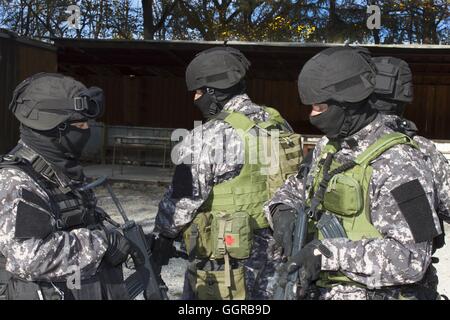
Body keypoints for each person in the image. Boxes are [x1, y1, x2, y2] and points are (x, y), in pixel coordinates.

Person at [267, 47, 443, 300]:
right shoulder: (327, 147)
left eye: (319, 107)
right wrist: (281, 210)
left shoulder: (402, 162)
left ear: (347, 104)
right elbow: (293, 189)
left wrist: (325, 254)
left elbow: (412, 259)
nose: (311, 116)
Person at [153, 46, 302, 300]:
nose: (195, 98)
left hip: (228, 267)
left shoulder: (206, 136)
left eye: (199, 92)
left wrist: (162, 238)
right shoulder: (277, 121)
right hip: (278, 258)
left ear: (213, 92)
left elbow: (181, 201)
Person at [0, 73, 132, 300]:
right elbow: (30, 257)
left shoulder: (59, 171)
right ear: (53, 128)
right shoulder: (17, 182)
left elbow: (81, 220)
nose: (86, 130)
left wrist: (125, 239)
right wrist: (103, 242)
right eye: (80, 124)